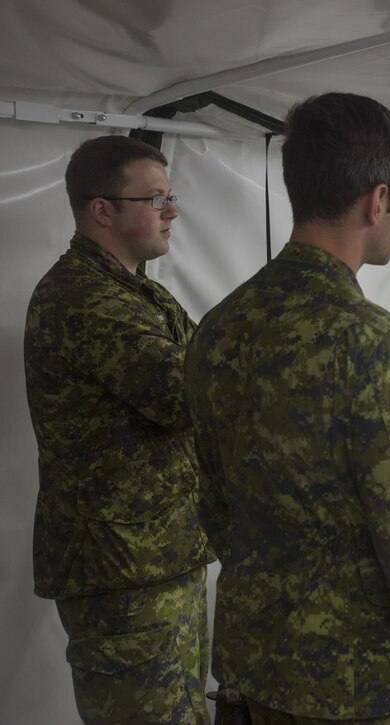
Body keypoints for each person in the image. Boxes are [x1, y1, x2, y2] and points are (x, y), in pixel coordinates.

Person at [184, 93, 390, 725]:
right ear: (377, 199)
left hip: (256, 672)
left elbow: (214, 501)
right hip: (362, 688)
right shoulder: (375, 346)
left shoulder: (218, 330)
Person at [23, 135, 213, 723]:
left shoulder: (141, 294)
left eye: (170, 197)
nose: (172, 211)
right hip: (121, 571)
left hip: (163, 555)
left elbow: (209, 368)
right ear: (103, 209)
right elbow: (185, 393)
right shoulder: (81, 298)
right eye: (155, 199)